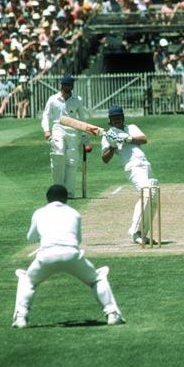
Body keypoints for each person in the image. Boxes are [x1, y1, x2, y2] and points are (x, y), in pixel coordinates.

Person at [12, 184, 125, 328]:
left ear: (47, 199)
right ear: (66, 199)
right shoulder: (74, 213)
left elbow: (30, 238)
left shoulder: (39, 213)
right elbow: (78, 240)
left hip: (46, 256)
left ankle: (21, 318)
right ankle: (112, 314)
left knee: (28, 281)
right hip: (72, 254)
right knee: (96, 279)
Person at [100, 105, 158, 245]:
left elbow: (144, 139)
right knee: (147, 193)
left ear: (123, 118)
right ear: (110, 120)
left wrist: (128, 139)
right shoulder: (108, 135)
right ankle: (135, 232)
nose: (117, 120)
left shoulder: (131, 127)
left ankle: (143, 234)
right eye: (114, 118)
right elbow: (105, 159)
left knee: (154, 198)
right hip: (133, 167)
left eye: (119, 117)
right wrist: (113, 146)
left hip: (145, 164)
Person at [41, 75, 89, 198]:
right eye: (64, 84)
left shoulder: (77, 99)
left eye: (69, 85)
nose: (66, 87)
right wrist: (46, 130)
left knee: (72, 161)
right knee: (58, 156)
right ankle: (58, 191)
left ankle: (69, 192)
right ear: (61, 85)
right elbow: (45, 116)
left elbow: (82, 119)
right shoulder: (53, 99)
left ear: (72, 86)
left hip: (73, 131)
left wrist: (85, 137)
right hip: (58, 128)